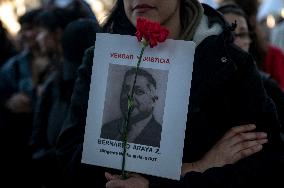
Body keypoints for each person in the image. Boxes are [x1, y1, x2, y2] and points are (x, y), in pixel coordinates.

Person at [56, 0, 284, 187]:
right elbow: (68, 162)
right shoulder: (99, 60)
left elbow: (267, 163)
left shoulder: (229, 63)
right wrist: (193, 169)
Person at [217, 3, 284, 136]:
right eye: (228, 34)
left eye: (242, 34)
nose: (236, 41)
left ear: (249, 40)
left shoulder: (269, 88)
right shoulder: (199, 88)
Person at [101, 68, 162, 147]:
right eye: (126, 90)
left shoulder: (160, 136)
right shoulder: (106, 129)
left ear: (154, 100)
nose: (128, 96)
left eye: (139, 91)